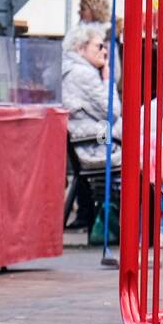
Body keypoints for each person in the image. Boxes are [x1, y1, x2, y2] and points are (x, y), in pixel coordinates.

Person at [62, 23, 122, 231]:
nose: (105, 51)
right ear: (81, 48)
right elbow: (112, 111)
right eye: (99, 46)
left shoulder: (69, 70)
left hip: (86, 139)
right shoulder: (83, 74)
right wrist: (108, 81)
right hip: (95, 145)